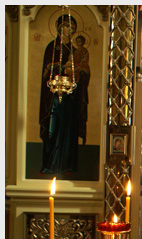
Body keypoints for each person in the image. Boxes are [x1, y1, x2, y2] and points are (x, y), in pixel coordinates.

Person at [39, 14, 88, 175]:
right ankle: (49, 165)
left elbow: (83, 71)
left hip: (70, 98)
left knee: (68, 131)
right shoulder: (52, 48)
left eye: (72, 27)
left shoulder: (75, 51)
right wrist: (57, 68)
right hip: (53, 97)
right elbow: (46, 74)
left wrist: (80, 73)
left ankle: (68, 166)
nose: (70, 30)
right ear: (60, 28)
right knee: (53, 129)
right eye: (67, 26)